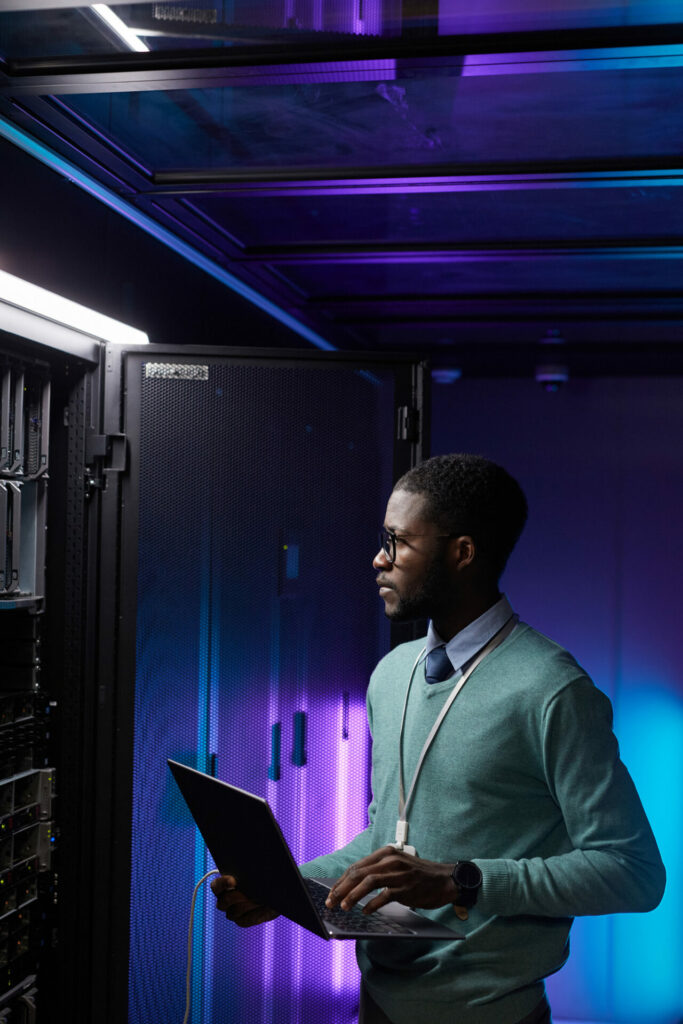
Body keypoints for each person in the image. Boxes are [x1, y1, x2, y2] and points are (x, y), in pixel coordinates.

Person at [212, 453, 665, 1024]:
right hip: (377, 1004)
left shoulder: (553, 689)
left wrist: (463, 880)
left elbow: (633, 872)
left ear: (463, 552)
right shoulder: (393, 672)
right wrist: (292, 889)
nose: (379, 559)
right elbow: (387, 840)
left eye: (398, 542)